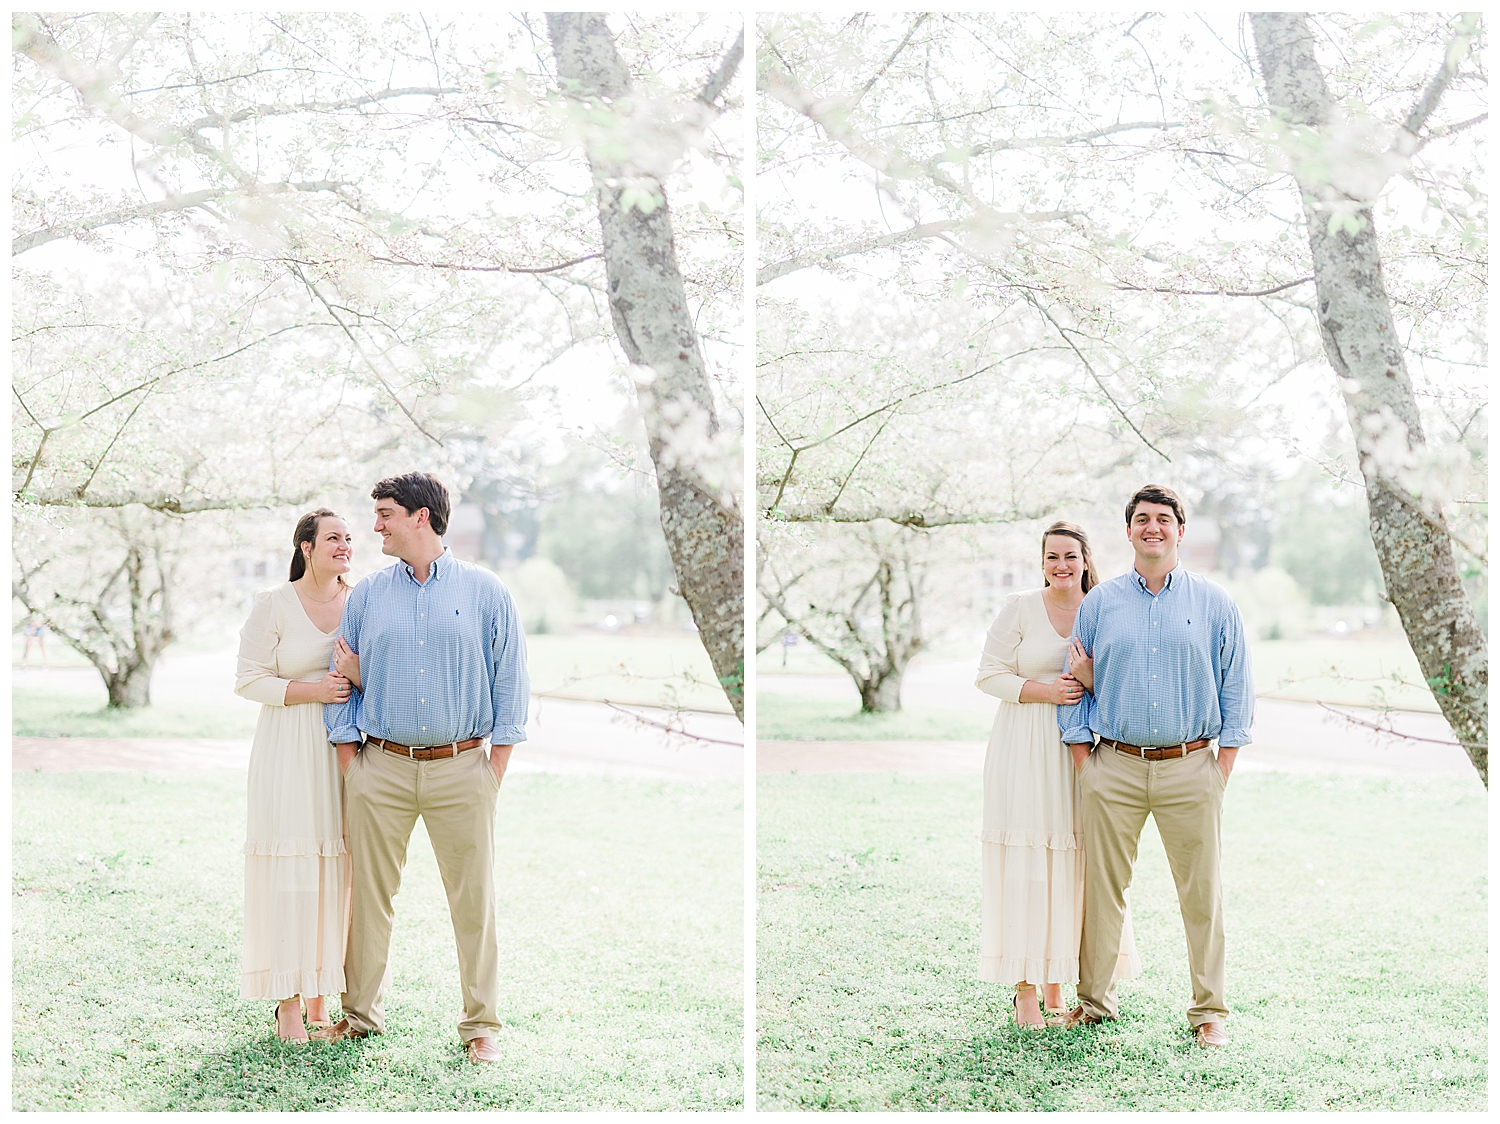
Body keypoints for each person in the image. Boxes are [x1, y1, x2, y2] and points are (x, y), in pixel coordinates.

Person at [314, 472, 529, 1066]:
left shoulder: (487, 592)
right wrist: (351, 764)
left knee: (473, 901)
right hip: (378, 767)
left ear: (421, 518)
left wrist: (493, 771)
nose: (374, 525)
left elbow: (511, 685)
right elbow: (342, 685)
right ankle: (360, 1016)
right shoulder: (367, 597)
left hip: (463, 769)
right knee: (370, 900)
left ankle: (480, 1025)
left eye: (385, 514)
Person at [1060, 484, 1254, 1049]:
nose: (1153, 528)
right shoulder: (1099, 604)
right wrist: (1084, 763)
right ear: (1128, 532)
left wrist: (1222, 767)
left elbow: (1237, 687)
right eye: (1142, 519)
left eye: (1163, 519)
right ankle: (1095, 1004)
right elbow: (1075, 685)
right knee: (1102, 889)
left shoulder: (1214, 603)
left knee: (1202, 895)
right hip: (1112, 767)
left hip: (1192, 766)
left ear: (1180, 530)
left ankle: (1208, 1012)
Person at [976, 521, 1140, 1029]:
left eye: (1070, 555)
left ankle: (1064, 983)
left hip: (1085, 750)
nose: (1061, 565)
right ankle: (1027, 990)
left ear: (1086, 559)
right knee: (1029, 861)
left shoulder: (1107, 606)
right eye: (1052, 557)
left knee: (1078, 862)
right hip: (1025, 748)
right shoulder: (1020, 607)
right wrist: (1046, 691)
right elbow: (988, 674)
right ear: (1042, 561)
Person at [235, 509, 356, 1042]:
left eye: (349, 538)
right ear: (306, 547)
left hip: (342, 747)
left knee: (334, 871)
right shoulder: (274, 604)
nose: (345, 545)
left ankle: (320, 999)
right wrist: (314, 690)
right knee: (290, 872)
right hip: (286, 747)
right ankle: (287, 1001)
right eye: (333, 537)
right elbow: (248, 681)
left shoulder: (361, 601)